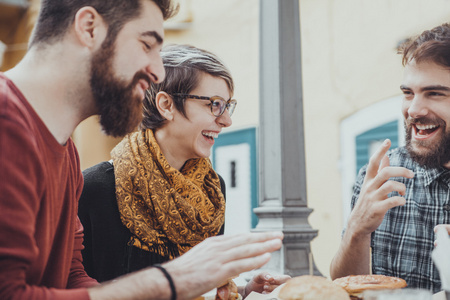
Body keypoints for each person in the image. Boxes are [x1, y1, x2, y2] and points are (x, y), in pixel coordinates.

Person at [0, 0, 284, 299]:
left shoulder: (66, 152)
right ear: (89, 28)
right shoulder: (8, 123)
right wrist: (171, 280)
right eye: (147, 45)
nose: (158, 72)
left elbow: (71, 277)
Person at [78, 43, 290, 297]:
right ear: (166, 105)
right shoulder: (94, 188)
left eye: (227, 106)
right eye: (214, 104)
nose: (226, 120)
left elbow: (200, 290)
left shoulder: (212, 189)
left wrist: (243, 290)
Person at [330, 23, 450, 293]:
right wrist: (357, 231)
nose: (414, 110)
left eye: (434, 93)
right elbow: (345, 287)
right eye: (408, 93)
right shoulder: (380, 176)